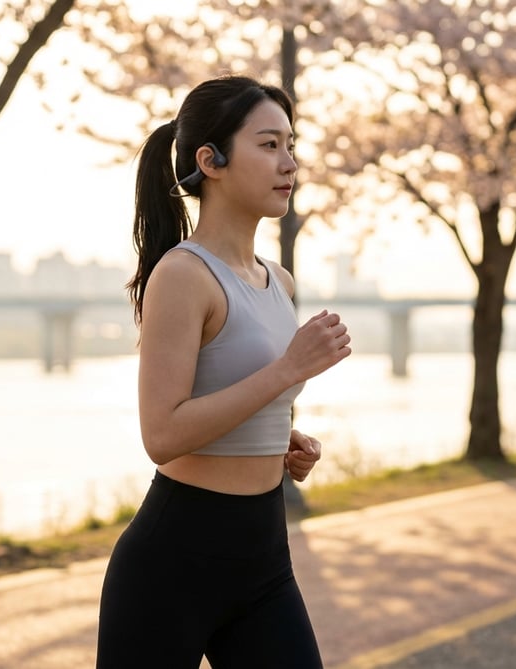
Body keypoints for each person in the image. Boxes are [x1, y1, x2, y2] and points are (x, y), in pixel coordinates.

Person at [96, 74, 352, 669]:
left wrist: (277, 438)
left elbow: (231, 397)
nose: (289, 163)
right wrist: (288, 370)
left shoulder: (277, 280)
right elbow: (162, 436)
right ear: (210, 161)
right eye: (268, 145)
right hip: (172, 566)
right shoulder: (182, 275)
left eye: (291, 145)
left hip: (263, 558)